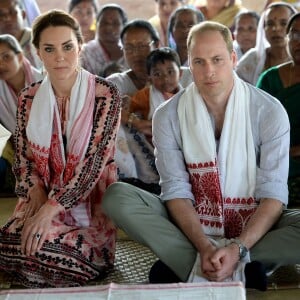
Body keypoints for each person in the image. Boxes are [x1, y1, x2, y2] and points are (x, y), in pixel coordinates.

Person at [102, 21, 300, 291]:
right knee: (117, 197)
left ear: (232, 58)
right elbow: (176, 190)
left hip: (256, 224)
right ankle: (236, 267)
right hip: (192, 223)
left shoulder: (268, 111)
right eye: (199, 62)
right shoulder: (168, 115)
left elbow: (274, 194)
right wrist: (204, 244)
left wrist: (237, 246)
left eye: (217, 60)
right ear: (189, 65)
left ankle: (193, 265)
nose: (209, 71)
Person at [0, 9, 121, 288]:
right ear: (38, 53)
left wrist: (48, 211)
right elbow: (24, 158)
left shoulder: (105, 94)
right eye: (49, 49)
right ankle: (41, 262)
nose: (59, 57)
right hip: (39, 201)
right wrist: (36, 191)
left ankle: (48, 260)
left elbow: (93, 166)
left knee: (45, 245)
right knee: (12, 239)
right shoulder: (28, 97)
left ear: (80, 46)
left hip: (89, 208)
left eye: (67, 47)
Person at [257, 12, 300, 207]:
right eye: (295, 34)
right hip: (273, 164)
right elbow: (253, 127)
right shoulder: (270, 78)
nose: (299, 41)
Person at [0, 34, 42, 194]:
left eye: (6, 57)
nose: (1, 64)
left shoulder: (44, 82)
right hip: (18, 153)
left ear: (19, 56)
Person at [122, 47, 183, 142]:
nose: (165, 78)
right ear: (150, 78)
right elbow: (122, 112)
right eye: (157, 74)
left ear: (180, 73)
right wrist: (137, 122)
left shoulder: (188, 96)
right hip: (154, 144)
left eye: (170, 72)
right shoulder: (146, 96)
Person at [236, 2, 297, 85]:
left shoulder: (298, 58)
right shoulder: (252, 59)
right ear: (263, 28)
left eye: (283, 23)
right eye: (270, 24)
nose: (276, 28)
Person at [80, 4, 128, 77]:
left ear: (123, 26)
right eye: (104, 23)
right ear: (96, 25)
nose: (109, 27)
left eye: (115, 23)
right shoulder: (84, 53)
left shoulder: (131, 51)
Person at [0, 0, 41, 69]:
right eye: (1, 15)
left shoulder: (40, 40)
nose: (7, 18)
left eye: (12, 12)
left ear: (23, 15)